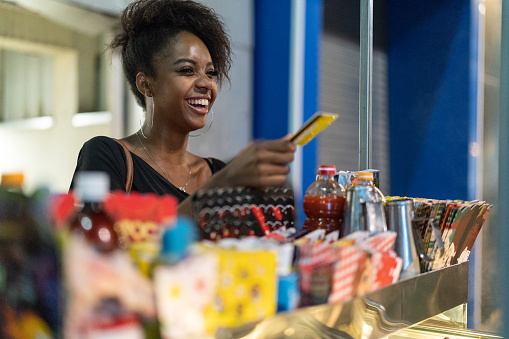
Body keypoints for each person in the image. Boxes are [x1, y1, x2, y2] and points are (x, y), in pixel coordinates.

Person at [69, 0, 296, 217]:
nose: (206, 83)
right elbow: (95, 247)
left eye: (210, 73)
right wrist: (220, 188)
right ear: (145, 84)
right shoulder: (106, 154)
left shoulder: (215, 171)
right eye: (187, 70)